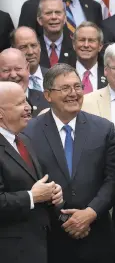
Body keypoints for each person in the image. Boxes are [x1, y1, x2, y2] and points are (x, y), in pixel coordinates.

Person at [23, 64, 115, 263]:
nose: (73, 94)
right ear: (48, 95)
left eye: (77, 87)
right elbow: (28, 182)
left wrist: (90, 213)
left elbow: (113, 179)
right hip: (50, 239)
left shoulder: (103, 129)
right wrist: (66, 218)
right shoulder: (28, 133)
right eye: (65, 88)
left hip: (97, 235)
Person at [0, 81, 63, 263]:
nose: (28, 108)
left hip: (37, 245)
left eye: (26, 101)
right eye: (20, 104)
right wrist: (31, 197)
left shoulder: (24, 140)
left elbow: (35, 184)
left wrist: (52, 193)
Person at [0, 48, 49, 117]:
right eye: (6, 70)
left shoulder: (47, 100)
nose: (13, 75)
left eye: (18, 69)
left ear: (28, 68)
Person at [37, 0, 77, 68]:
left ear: (65, 19)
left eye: (58, 12)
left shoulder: (75, 47)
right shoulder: (33, 48)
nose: (54, 17)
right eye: (48, 13)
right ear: (40, 20)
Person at [10, 26, 48, 91]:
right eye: (23, 47)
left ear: (39, 47)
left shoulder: (53, 77)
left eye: (33, 45)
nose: (30, 52)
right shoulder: (9, 83)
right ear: (13, 50)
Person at [73, 22, 107, 94]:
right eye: (82, 40)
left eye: (91, 40)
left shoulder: (109, 75)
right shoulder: (62, 73)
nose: (86, 45)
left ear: (100, 46)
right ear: (74, 44)